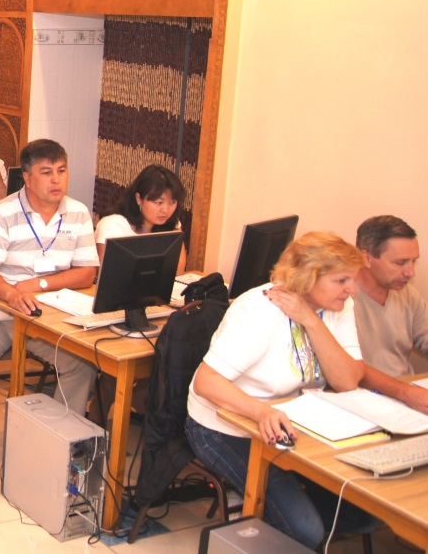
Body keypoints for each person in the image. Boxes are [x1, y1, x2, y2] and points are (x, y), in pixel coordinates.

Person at [186, 232, 379, 548]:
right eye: (341, 280)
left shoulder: (340, 306)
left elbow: (347, 381)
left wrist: (311, 321)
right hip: (226, 426)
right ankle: (266, 511)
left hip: (294, 424)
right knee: (306, 531)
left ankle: (273, 508)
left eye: (352, 280)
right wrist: (261, 411)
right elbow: (206, 382)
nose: (352, 289)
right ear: (309, 276)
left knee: (367, 515)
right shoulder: (260, 308)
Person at [0, 139, 100, 472]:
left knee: (82, 365)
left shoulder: (78, 213)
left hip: (46, 317)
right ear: (27, 177)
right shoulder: (3, 213)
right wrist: (11, 294)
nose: (56, 180)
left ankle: (58, 437)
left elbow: (87, 272)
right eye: (46, 172)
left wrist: (39, 285)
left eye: (62, 171)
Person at [352, 215, 428, 412]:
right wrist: (406, 393)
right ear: (366, 257)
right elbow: (349, 368)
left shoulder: (408, 294)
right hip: (362, 402)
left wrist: (408, 393)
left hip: (406, 397)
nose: (410, 272)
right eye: (400, 263)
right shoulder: (340, 297)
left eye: (413, 262)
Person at [95, 164, 188, 274]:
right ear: (139, 199)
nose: (166, 210)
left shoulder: (172, 223)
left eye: (172, 202)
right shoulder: (113, 225)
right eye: (159, 202)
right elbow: (108, 273)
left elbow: (178, 270)